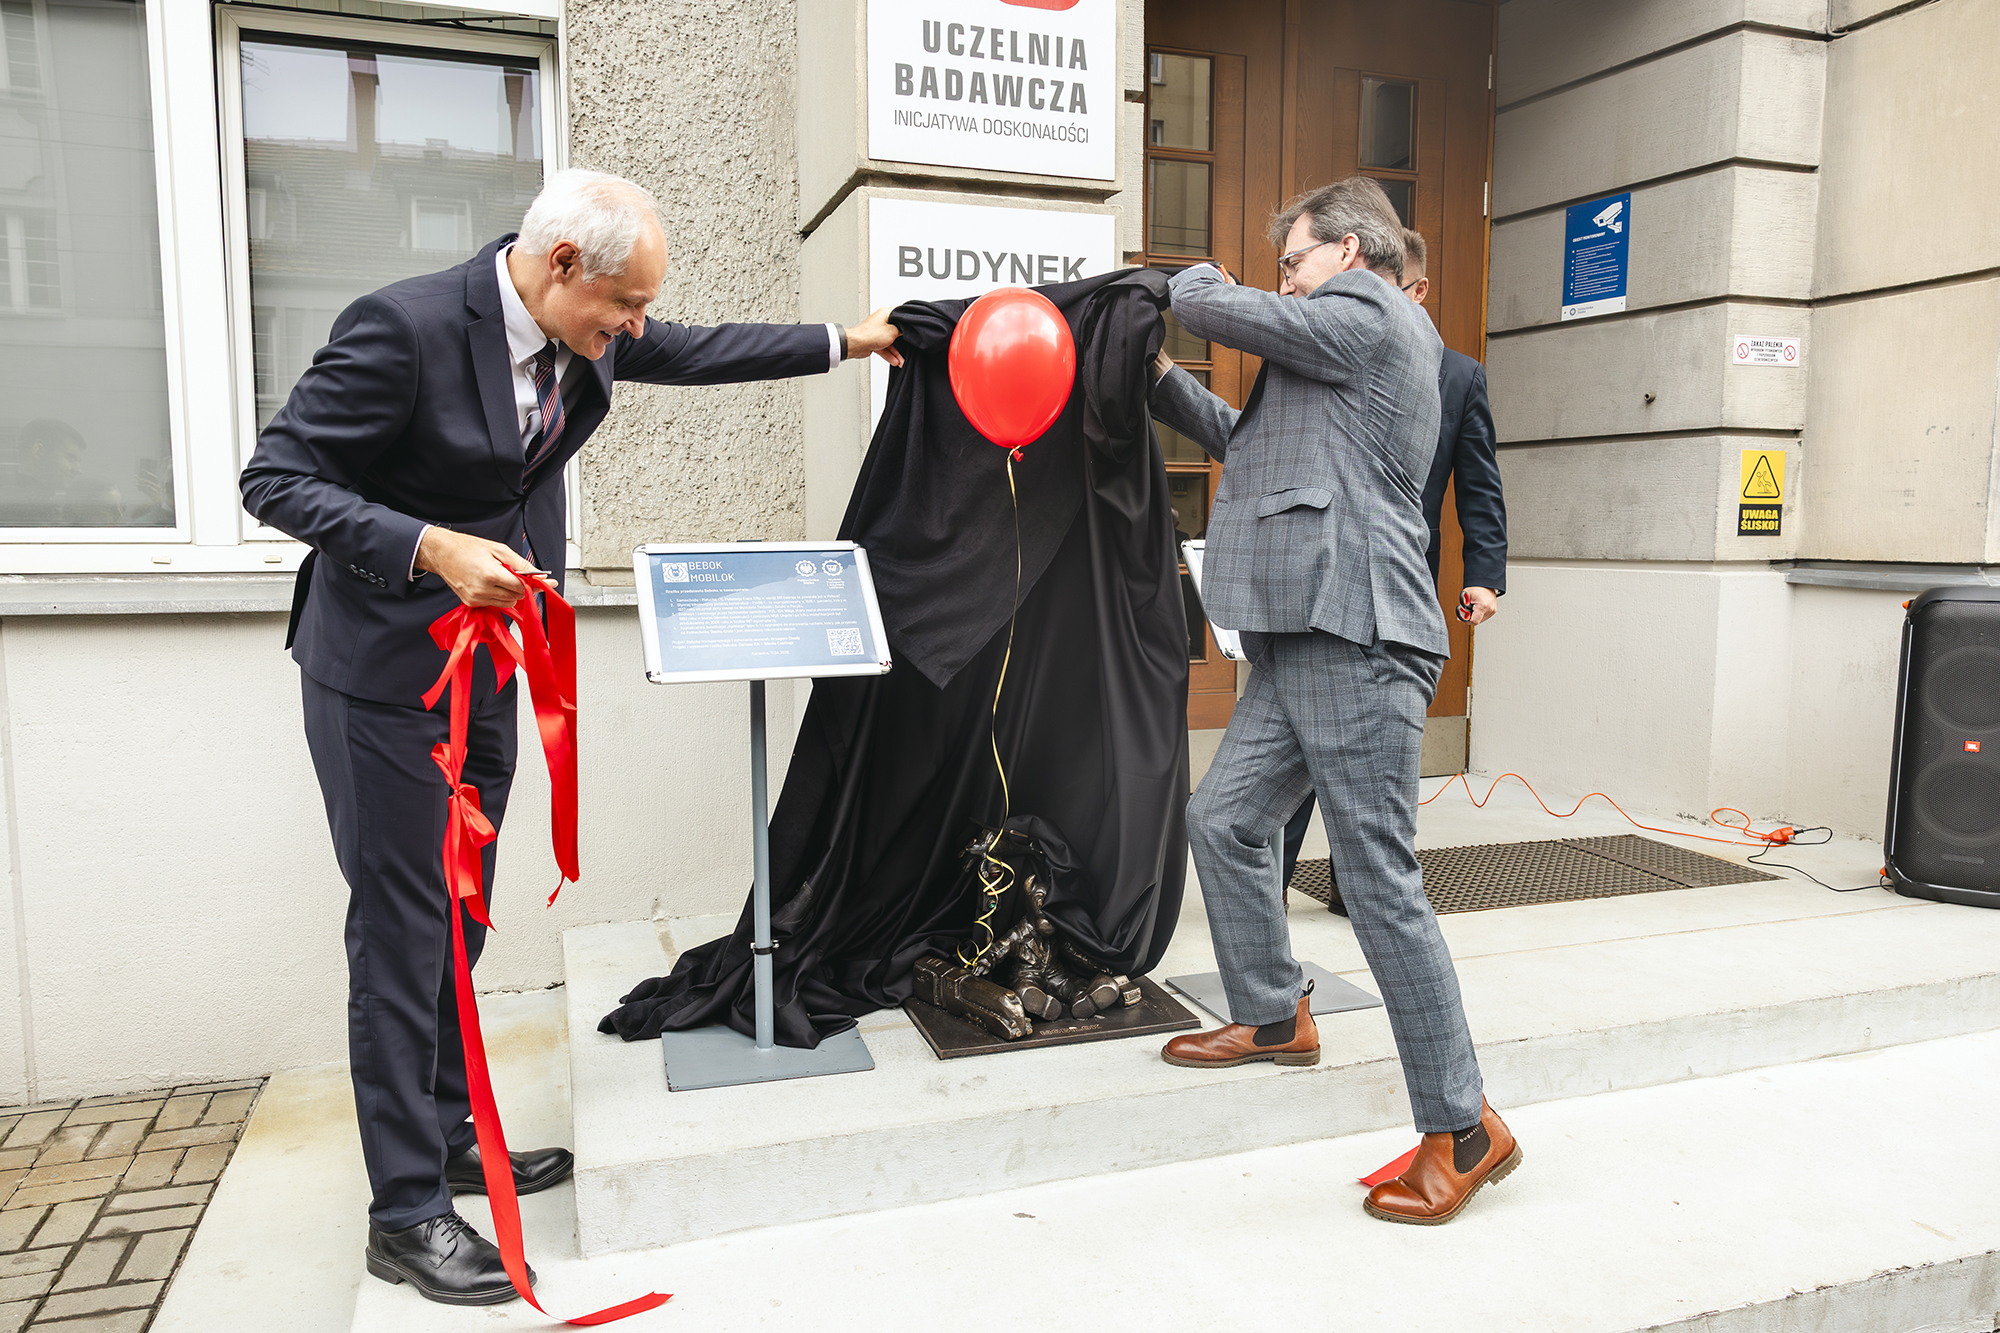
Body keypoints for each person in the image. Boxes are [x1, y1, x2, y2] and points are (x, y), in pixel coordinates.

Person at [240, 169, 903, 1304]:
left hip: (488, 668)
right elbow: (274, 477)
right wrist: (428, 544)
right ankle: (404, 1213)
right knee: (402, 932)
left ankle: (448, 1131)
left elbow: (697, 350)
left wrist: (851, 341)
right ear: (560, 267)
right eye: (624, 304)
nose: (636, 327)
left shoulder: (582, 334)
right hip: (382, 682)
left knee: (459, 915)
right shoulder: (402, 330)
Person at [1147, 177, 1520, 1225]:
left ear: (1349, 251)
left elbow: (1218, 307)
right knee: (1223, 820)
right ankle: (1274, 1014)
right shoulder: (1338, 350)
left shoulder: (1372, 310)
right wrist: (1155, 377)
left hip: (1356, 631)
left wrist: (1181, 285)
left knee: (1377, 879)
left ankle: (1463, 1127)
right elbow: (1247, 443)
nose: (1285, 282)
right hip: (1304, 629)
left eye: (1294, 261)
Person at [1280, 225, 1508, 911]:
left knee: (1377, 752)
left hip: (1397, 589)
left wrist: (1483, 574)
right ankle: (1269, 881)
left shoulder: (1459, 376)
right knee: (1300, 734)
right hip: (1315, 579)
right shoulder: (1325, 348)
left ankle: (1359, 888)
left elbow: (1479, 486)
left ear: (1418, 290)